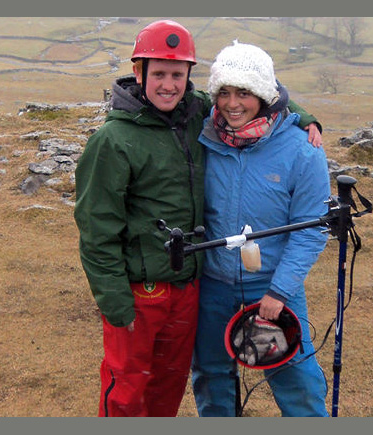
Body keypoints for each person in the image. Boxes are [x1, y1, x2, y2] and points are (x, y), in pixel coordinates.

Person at [73, 21, 322, 417]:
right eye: (158, 74)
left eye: (177, 74)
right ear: (138, 73)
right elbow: (96, 229)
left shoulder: (205, 118)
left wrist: (299, 112)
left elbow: (246, 93)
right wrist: (115, 301)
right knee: (152, 382)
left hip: (222, 288)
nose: (168, 84)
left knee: (181, 382)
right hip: (168, 289)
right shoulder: (131, 138)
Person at [191, 41, 331, 417]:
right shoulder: (201, 133)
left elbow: (311, 229)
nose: (232, 104)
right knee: (211, 374)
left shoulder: (304, 150)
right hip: (212, 282)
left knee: (295, 377)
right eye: (224, 92)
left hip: (271, 287)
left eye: (245, 93)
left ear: (265, 95)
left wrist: (280, 291)